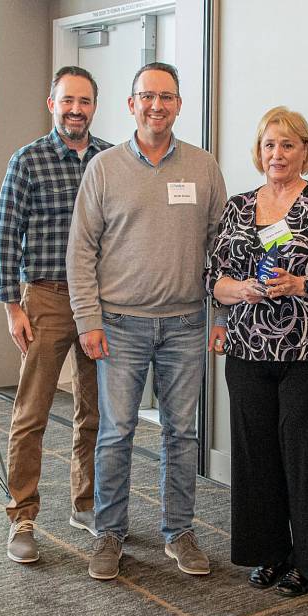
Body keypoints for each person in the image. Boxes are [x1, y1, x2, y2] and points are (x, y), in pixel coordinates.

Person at [67, 62, 227, 581]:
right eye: (146, 96)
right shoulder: (105, 167)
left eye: (166, 96)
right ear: (131, 105)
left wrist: (219, 315)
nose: (156, 105)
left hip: (186, 324)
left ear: (179, 105)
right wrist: (88, 319)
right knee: (116, 432)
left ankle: (178, 531)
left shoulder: (203, 167)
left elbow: (221, 249)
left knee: (182, 433)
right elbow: (81, 251)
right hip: (119, 324)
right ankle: (110, 532)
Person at [206, 106, 308, 597]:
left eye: (288, 145)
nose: (277, 154)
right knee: (256, 459)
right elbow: (215, 280)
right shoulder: (237, 206)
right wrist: (241, 289)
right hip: (249, 352)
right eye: (270, 145)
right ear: (259, 151)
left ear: (305, 151)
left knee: (307, 461)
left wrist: (302, 283)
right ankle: (271, 554)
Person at [0, 66, 112, 564]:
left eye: (84, 101)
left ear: (94, 106)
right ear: (51, 103)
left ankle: (85, 504)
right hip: (44, 298)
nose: (75, 109)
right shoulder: (28, 161)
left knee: (96, 411)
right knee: (31, 412)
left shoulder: (111, 160)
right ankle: (22, 515)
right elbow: (5, 235)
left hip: (101, 302)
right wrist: (11, 306)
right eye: (67, 100)